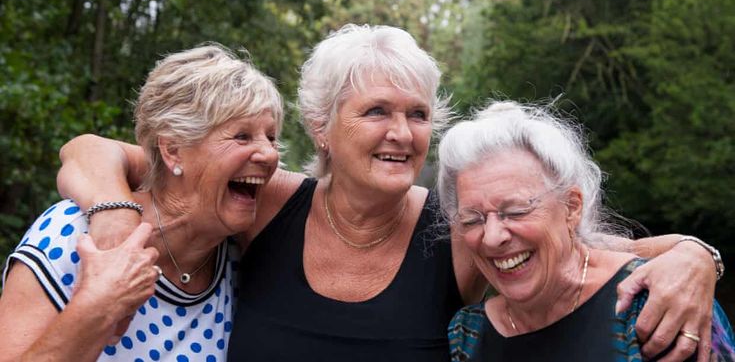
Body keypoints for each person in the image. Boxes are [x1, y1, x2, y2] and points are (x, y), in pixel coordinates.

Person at [56, 25, 720, 362]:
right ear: (321, 125)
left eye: (418, 114)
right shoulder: (261, 201)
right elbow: (90, 152)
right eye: (376, 111)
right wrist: (113, 217)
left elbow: (587, 254)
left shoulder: (454, 235)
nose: (401, 134)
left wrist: (696, 255)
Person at [0, 44, 282, 361]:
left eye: (270, 137)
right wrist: (100, 306)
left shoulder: (240, 257)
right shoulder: (72, 235)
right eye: (242, 136)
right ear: (173, 150)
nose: (270, 155)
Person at [438, 101, 734, 361]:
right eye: (472, 220)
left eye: (515, 211)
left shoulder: (657, 301)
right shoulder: (468, 333)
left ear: (571, 207)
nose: (492, 236)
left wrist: (697, 252)